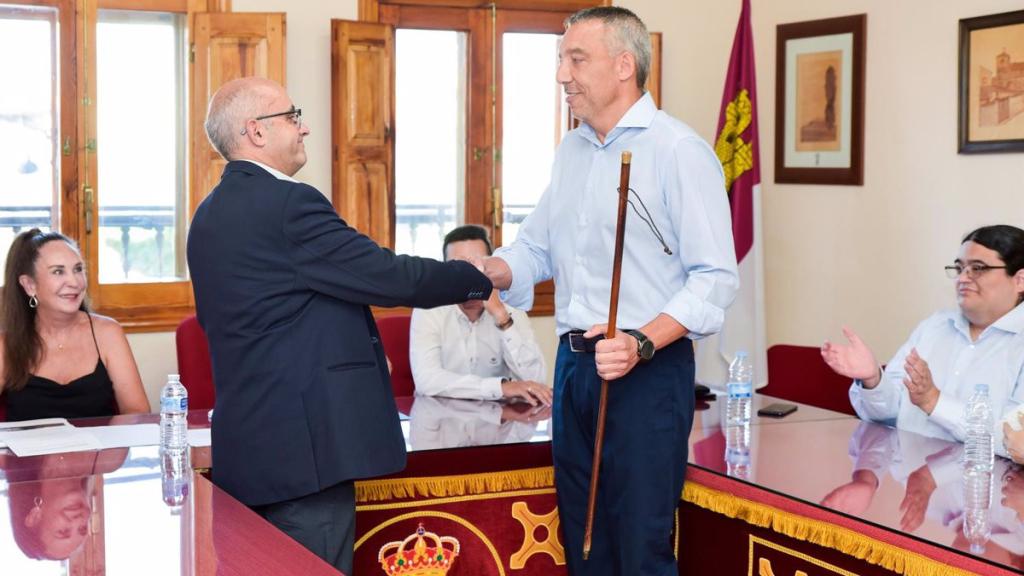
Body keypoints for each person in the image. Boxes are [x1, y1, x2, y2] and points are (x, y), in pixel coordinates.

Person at [187, 76, 492, 574]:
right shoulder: (288, 204)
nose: (304, 127)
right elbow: (385, 276)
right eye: (292, 116)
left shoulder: (209, 215)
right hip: (306, 453)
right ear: (255, 132)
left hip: (250, 447)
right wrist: (478, 277)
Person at [479, 7, 739, 574]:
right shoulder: (571, 150)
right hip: (574, 371)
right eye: (560, 60)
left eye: (576, 59)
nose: (561, 76)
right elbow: (536, 250)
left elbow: (716, 278)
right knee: (584, 540)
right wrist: (482, 273)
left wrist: (642, 340)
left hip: (645, 372)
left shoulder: (678, 151)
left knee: (638, 546)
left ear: (625, 65)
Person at [822, 225, 1024, 456]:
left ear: (1020, 280)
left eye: (977, 268)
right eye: (959, 268)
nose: (963, 278)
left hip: (984, 486)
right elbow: (886, 414)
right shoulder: (935, 326)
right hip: (904, 479)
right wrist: (873, 380)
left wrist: (933, 401)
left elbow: (1013, 441)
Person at [1, 230, 149, 421]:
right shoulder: (6, 344)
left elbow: (137, 412)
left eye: (78, 269)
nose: (74, 282)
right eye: (58, 271)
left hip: (100, 449)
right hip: (30, 451)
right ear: (30, 285)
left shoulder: (108, 333)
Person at [410, 225, 550, 405]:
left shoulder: (509, 304)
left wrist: (501, 316)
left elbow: (536, 382)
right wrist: (501, 388)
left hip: (500, 422)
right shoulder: (428, 306)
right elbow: (427, 381)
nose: (469, 278)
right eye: (458, 268)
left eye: (478, 267)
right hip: (442, 420)